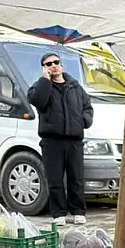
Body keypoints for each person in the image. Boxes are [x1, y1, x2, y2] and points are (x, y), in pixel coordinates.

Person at [28, 52, 93, 224]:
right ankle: (59, 214)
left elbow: (87, 106)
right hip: (52, 141)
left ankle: (78, 211)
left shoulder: (75, 86)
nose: (53, 65)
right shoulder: (40, 86)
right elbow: (38, 101)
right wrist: (45, 80)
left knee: (76, 178)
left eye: (56, 62)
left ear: (62, 65)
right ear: (44, 68)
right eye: (48, 64)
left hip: (74, 140)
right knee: (55, 179)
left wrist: (84, 121)